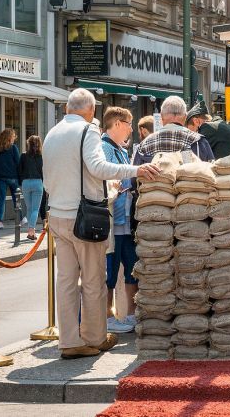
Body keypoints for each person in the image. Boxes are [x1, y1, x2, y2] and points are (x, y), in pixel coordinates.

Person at [43, 89, 159, 360]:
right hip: (84, 216)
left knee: (66, 281)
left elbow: (48, 176)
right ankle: (94, 337)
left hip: (57, 214)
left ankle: (69, 340)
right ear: (91, 110)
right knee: (94, 279)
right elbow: (98, 167)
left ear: (67, 109)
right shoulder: (88, 131)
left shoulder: (53, 133)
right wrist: (136, 170)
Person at [100, 107, 139, 335]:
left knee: (132, 268)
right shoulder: (105, 148)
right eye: (128, 123)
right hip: (112, 221)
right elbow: (106, 179)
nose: (130, 129)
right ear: (116, 124)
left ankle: (130, 314)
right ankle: (107, 316)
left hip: (125, 222)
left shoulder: (121, 150)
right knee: (110, 272)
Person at [135, 96, 213, 164]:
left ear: (161, 117)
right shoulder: (197, 141)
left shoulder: (144, 144)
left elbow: (134, 177)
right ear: (185, 117)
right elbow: (211, 172)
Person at [0, 129, 21, 230]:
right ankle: (20, 219)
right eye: (13, 136)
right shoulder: (13, 148)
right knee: (16, 198)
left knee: (1, 199)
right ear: (9, 137)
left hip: (0, 178)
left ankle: (0, 222)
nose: (14, 138)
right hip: (13, 177)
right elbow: (18, 163)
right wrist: (20, 177)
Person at [19, 135, 44, 240]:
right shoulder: (41, 156)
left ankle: (31, 232)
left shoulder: (23, 156)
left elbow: (19, 170)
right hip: (37, 182)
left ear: (28, 143)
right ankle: (31, 230)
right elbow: (43, 172)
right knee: (35, 209)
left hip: (25, 183)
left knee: (29, 208)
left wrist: (21, 183)